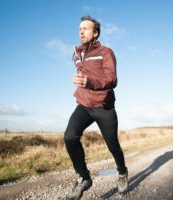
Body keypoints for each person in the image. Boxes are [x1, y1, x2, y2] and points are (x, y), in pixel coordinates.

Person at [63, 16, 128, 199]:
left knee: (113, 145)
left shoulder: (106, 52)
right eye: (79, 29)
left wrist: (90, 82)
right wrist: (83, 84)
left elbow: (112, 79)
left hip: (104, 106)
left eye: (85, 28)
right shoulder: (76, 55)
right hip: (84, 104)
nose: (81, 31)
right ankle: (84, 177)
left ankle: (122, 172)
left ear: (95, 33)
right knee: (69, 137)